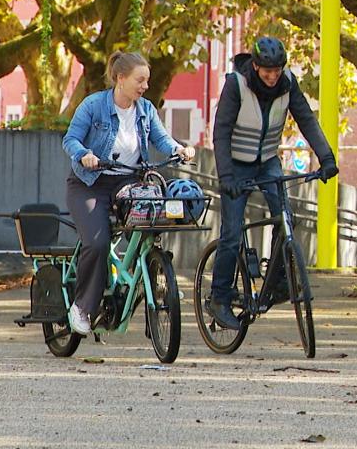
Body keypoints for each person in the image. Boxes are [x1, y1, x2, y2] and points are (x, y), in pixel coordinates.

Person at [207, 37, 338, 330]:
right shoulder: (236, 84)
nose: (272, 76)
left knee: (286, 218)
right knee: (231, 232)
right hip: (237, 165)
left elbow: (307, 120)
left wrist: (326, 158)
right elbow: (221, 132)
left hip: (267, 160)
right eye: (267, 71)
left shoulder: (288, 84)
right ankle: (219, 299)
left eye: (277, 70)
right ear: (255, 66)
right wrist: (226, 177)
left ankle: (279, 281)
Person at [62, 51, 196, 335]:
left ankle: (158, 284)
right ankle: (82, 306)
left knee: (154, 219)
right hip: (90, 183)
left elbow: (161, 138)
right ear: (120, 78)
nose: (145, 86)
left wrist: (178, 150)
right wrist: (84, 154)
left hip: (128, 183)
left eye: (147, 80)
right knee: (97, 244)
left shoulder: (146, 109)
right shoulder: (94, 105)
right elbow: (70, 139)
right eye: (140, 80)